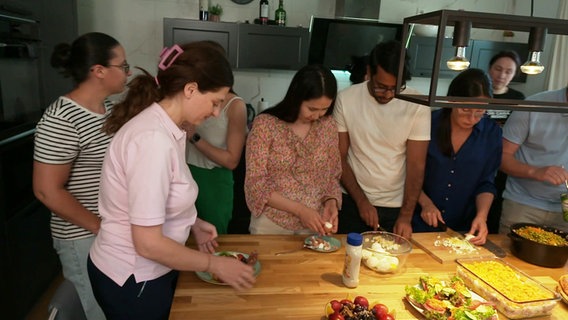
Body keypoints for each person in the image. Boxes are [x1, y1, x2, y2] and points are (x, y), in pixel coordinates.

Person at [88, 42, 255, 320]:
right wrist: (214, 264)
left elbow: (161, 200)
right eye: (215, 102)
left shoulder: (170, 130)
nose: (216, 113)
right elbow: (147, 244)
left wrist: (193, 224)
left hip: (149, 271)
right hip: (133, 277)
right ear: (190, 90)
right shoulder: (153, 140)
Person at [32, 32, 130, 320]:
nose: (127, 72)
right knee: (100, 311)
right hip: (81, 236)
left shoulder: (106, 110)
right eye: (122, 65)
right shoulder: (62, 118)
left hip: (106, 231)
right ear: (98, 71)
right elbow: (47, 191)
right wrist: (101, 227)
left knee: (116, 306)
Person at [334, 40, 431, 239]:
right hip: (351, 200)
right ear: (369, 71)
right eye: (381, 87)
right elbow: (339, 157)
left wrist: (405, 216)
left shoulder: (418, 105)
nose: (388, 95)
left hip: (396, 206)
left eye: (395, 88)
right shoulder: (347, 98)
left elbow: (416, 165)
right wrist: (361, 201)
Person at [245, 64, 341, 235]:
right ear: (296, 98)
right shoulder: (266, 125)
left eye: (324, 109)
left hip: (314, 224)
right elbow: (256, 182)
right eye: (312, 109)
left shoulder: (328, 126)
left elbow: (332, 174)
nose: (317, 116)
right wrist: (300, 210)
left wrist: (331, 202)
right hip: (272, 223)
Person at [412, 69, 502, 245]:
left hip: (463, 227)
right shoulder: (428, 123)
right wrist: (426, 203)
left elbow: (487, 182)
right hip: (418, 222)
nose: (472, 118)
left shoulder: (491, 133)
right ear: (451, 100)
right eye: (465, 109)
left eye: (479, 112)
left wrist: (481, 216)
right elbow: (409, 171)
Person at [183, 42, 248, 235]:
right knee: (181, 235)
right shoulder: (189, 96)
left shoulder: (236, 106)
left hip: (213, 182)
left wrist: (194, 136)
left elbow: (232, 160)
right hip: (184, 173)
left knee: (212, 239)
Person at [498, 85, 568, 234]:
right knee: (507, 256)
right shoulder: (534, 105)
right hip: (523, 204)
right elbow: (501, 156)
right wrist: (535, 172)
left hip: (564, 213)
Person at [486, 51, 526, 233]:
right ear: (490, 68)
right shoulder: (479, 92)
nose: (502, 75)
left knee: (496, 211)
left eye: (508, 71)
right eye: (498, 69)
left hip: (504, 165)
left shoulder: (519, 100)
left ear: (515, 74)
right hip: (479, 159)